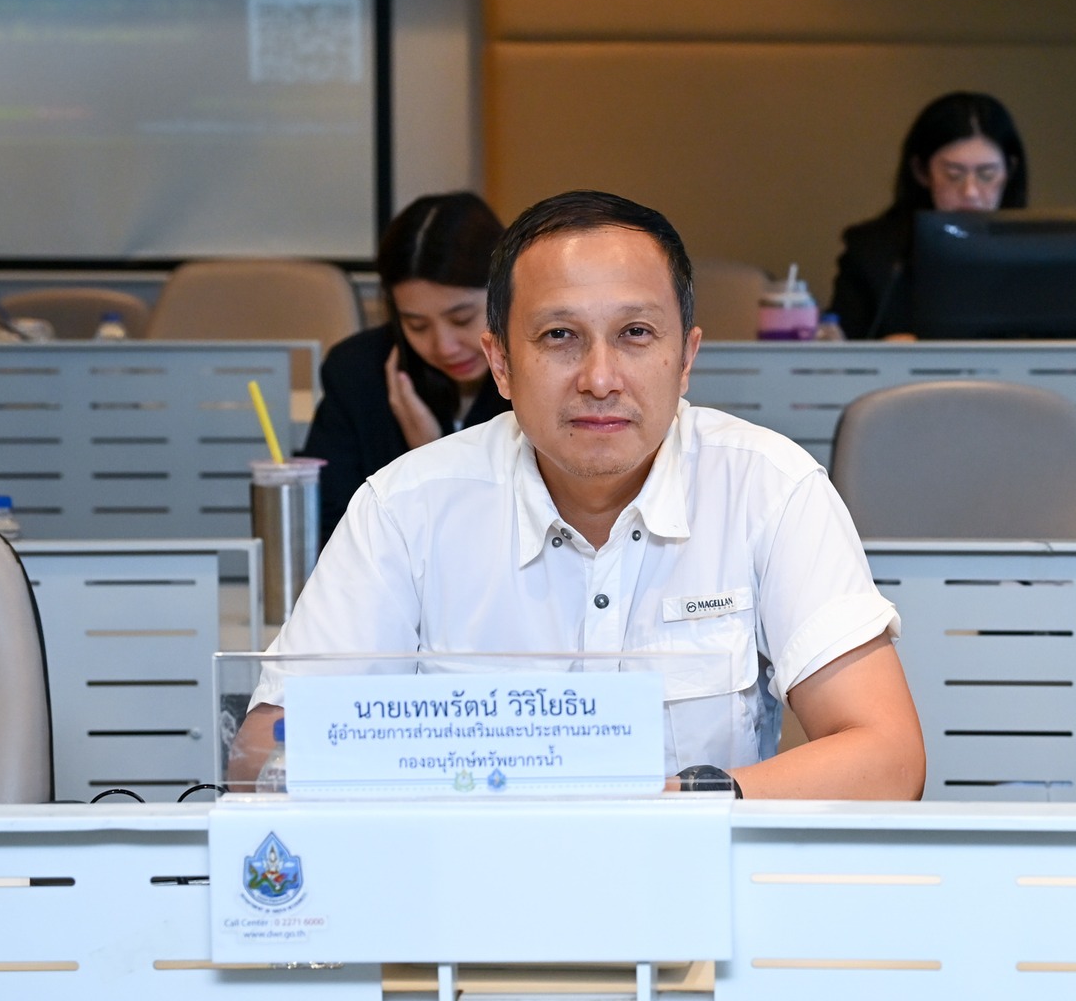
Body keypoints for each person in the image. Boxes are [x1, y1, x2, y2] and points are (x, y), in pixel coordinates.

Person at [230, 190, 925, 800]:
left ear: (686, 358)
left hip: (696, 887)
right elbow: (263, 754)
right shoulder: (404, 506)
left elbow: (888, 757)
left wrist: (672, 804)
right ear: (501, 362)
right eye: (559, 336)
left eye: (635, 334)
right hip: (467, 889)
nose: (599, 378)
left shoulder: (768, 487)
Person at [301, 192, 512, 545]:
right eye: (416, 325)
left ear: (507, 291)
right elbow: (332, 530)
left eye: (462, 319)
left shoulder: (541, 374)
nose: (444, 346)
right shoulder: (358, 372)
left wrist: (433, 458)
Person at [830, 91, 1028, 339]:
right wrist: (881, 352)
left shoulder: (1034, 251)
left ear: (1010, 171)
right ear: (921, 171)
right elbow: (841, 349)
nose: (970, 192)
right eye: (953, 175)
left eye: (986, 175)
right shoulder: (872, 253)